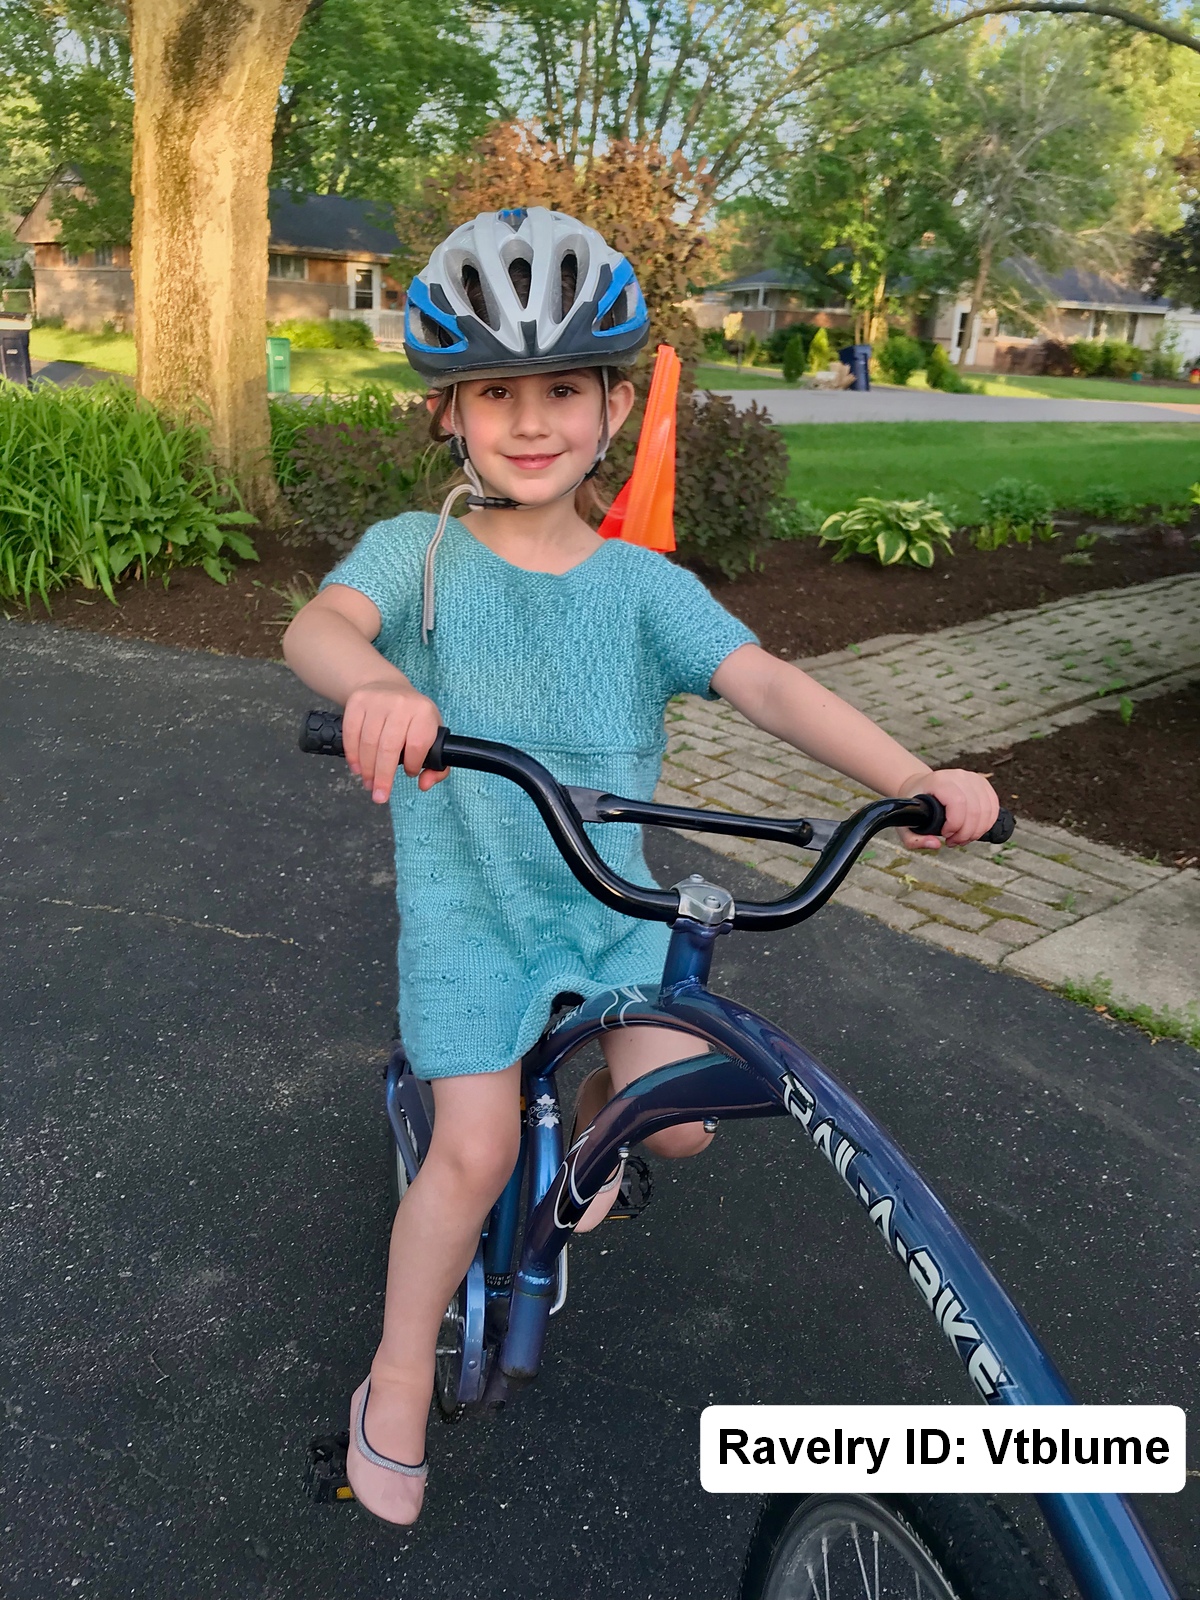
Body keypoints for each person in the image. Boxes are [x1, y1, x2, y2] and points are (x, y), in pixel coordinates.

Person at [282, 206, 1000, 1527]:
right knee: (472, 1153)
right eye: (495, 393)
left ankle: (599, 1112)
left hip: (613, 908)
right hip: (473, 911)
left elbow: (766, 684)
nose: (531, 419)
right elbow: (318, 627)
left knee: (678, 1120)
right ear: (448, 413)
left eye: (565, 389)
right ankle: (396, 1376)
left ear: (615, 404)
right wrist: (376, 682)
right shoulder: (416, 557)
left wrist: (916, 777)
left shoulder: (642, 587)